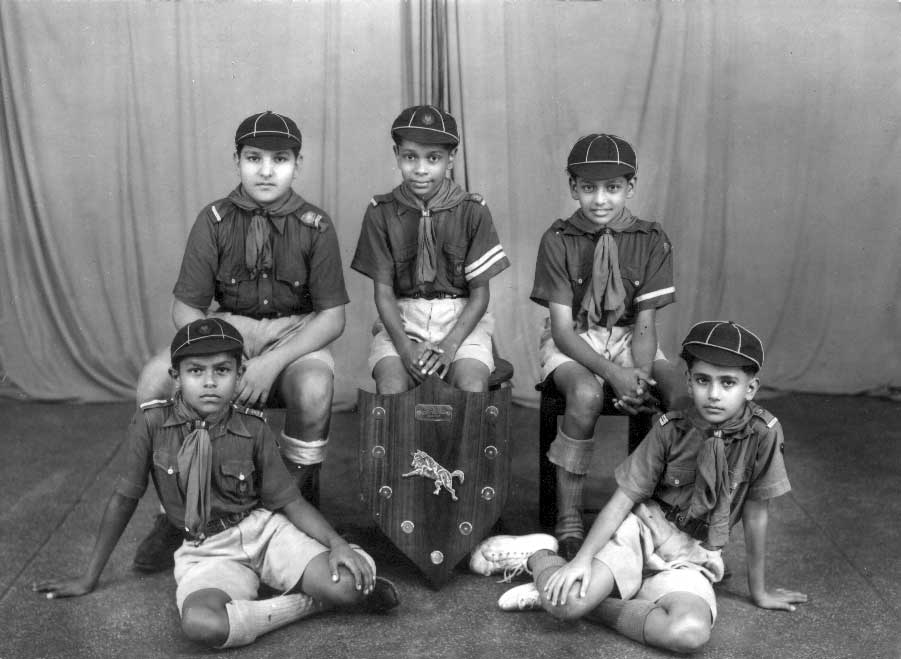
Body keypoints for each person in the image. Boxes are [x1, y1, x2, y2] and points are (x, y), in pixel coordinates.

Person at [34, 319, 398, 649]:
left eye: (222, 370)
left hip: (263, 532)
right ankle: (305, 604)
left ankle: (279, 602)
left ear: (239, 375)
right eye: (196, 371)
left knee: (350, 581)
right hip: (206, 550)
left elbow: (289, 502)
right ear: (176, 376)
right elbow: (123, 498)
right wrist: (89, 577)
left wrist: (337, 544)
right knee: (202, 625)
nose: (209, 382)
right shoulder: (151, 424)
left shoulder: (252, 427)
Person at [469, 321, 807, 654]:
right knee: (566, 605)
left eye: (728, 382)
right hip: (643, 532)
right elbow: (623, 500)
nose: (714, 394)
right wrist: (581, 560)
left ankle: (590, 602)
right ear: (689, 381)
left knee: (688, 634)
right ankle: (540, 557)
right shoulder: (670, 429)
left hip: (693, 556)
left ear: (750, 388)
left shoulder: (764, 434)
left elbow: (756, 513)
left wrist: (759, 591)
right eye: (703, 380)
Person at [133, 110, 348, 571]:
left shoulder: (316, 225)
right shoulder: (214, 220)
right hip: (226, 331)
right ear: (237, 161)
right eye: (254, 158)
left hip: (295, 333)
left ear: (298, 164)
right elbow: (185, 308)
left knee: (314, 389)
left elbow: (332, 317)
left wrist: (271, 363)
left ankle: (292, 506)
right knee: (154, 380)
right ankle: (176, 511)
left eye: (280, 159)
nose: (266, 171)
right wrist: (226, 354)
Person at [528, 133, 688, 558]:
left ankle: (662, 509)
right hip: (576, 338)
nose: (600, 199)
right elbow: (562, 331)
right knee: (585, 393)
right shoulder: (558, 239)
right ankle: (569, 516)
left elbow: (646, 322)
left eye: (612, 188)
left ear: (630, 187)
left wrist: (640, 375)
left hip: (632, 337)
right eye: (588, 187)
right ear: (572, 186)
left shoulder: (651, 239)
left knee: (679, 395)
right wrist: (614, 374)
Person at [351, 105, 509, 394]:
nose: (421, 169)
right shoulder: (381, 212)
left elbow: (480, 295)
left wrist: (450, 345)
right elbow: (383, 293)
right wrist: (404, 348)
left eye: (433, 158)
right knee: (391, 387)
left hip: (461, 322)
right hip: (402, 321)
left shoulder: (472, 211)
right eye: (410, 157)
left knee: (471, 386)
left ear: (451, 158)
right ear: (396, 154)